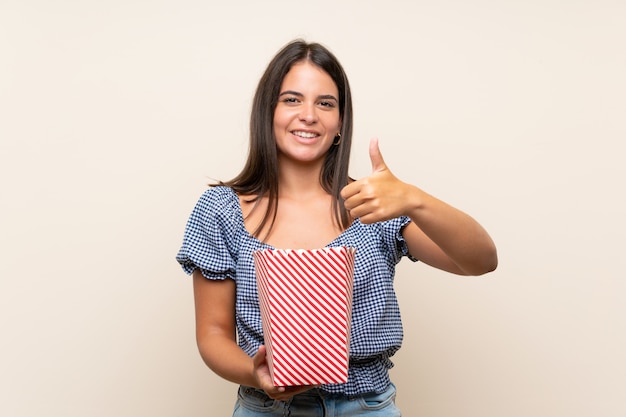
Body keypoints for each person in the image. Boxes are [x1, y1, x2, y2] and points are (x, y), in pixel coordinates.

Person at [176, 39, 498, 416]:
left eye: (325, 103)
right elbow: (212, 334)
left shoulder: (374, 204)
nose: (308, 115)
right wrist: (254, 371)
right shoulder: (220, 210)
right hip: (265, 408)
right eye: (292, 99)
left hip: (367, 407)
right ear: (268, 111)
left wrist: (413, 198)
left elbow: (481, 260)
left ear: (340, 121)